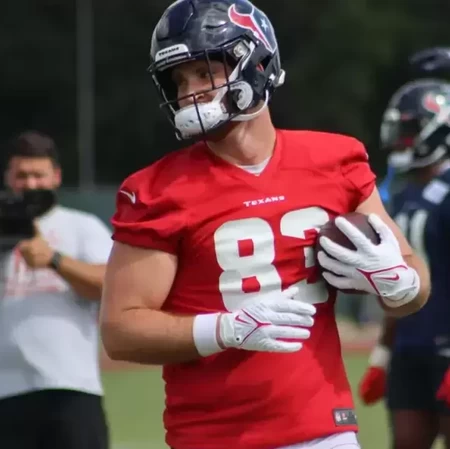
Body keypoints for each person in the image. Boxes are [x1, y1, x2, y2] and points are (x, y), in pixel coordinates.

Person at [100, 1, 430, 448]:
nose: (189, 92)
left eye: (203, 72)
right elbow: (121, 331)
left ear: (257, 64)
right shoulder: (157, 190)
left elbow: (414, 281)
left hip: (325, 431)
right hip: (212, 437)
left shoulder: (335, 160)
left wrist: (399, 283)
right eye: (179, 80)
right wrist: (226, 329)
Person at [0, 131, 111, 449]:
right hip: (6, 392)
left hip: (70, 387)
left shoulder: (82, 226)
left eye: (39, 175)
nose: (30, 184)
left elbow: (110, 285)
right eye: (22, 175)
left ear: (56, 177)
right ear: (8, 177)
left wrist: (54, 260)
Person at [358, 78, 450, 449]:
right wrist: (382, 355)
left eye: (409, 130)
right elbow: (398, 282)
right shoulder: (403, 194)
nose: (401, 140)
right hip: (410, 345)